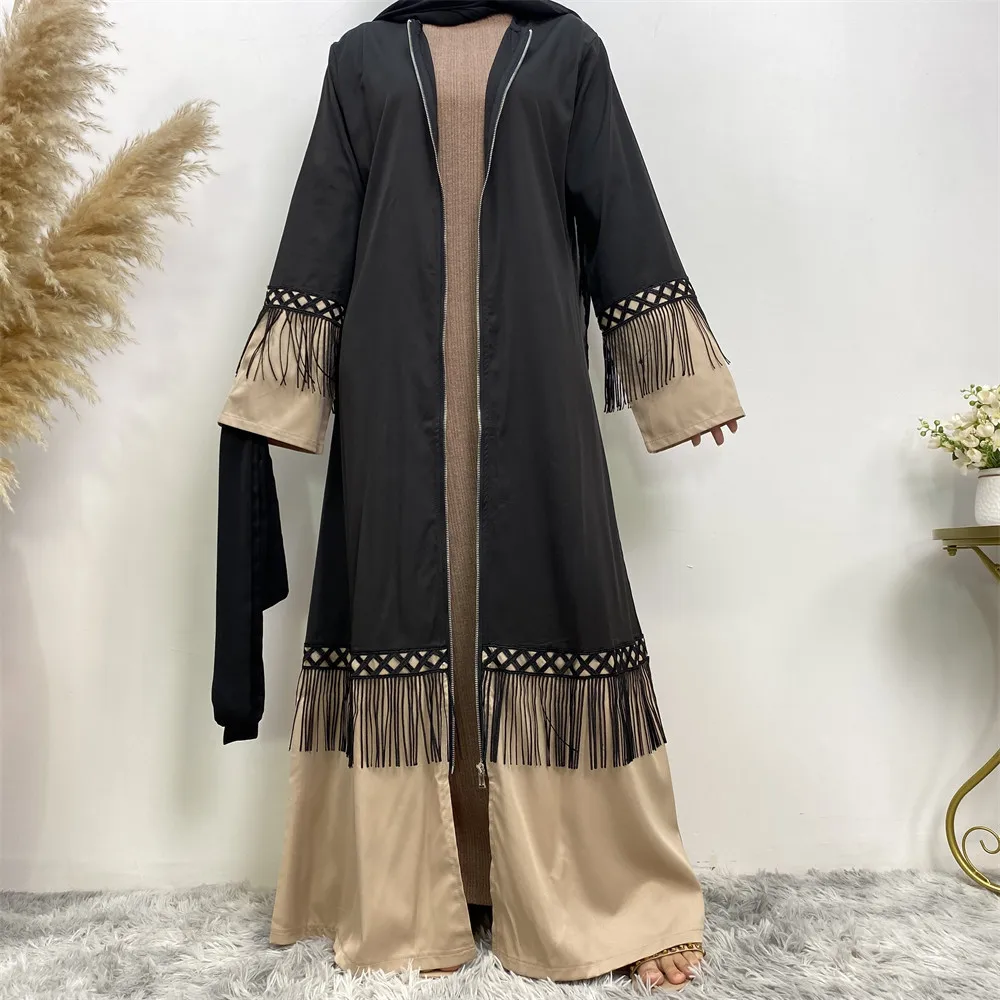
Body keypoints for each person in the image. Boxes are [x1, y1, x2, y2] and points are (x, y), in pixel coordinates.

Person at [212, 0, 744, 990]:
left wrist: (680, 384)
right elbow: (324, 221)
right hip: (391, 398)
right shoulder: (362, 58)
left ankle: (599, 895)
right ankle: (410, 893)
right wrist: (278, 399)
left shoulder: (567, 47)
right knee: (400, 611)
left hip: (535, 393)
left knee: (558, 602)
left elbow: (618, 207)